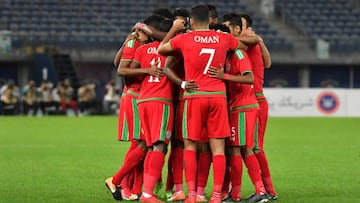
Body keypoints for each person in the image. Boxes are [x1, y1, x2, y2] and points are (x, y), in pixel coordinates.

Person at [158, 4, 251, 203]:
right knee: (217, 147)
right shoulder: (224, 38)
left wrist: (175, 30)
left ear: (191, 21)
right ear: (210, 20)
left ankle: (192, 195)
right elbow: (243, 47)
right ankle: (216, 195)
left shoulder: (184, 38)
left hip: (194, 94)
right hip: (218, 95)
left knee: (190, 145)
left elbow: (161, 49)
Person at [105, 15, 165, 201]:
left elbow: (117, 61)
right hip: (135, 96)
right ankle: (120, 182)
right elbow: (120, 67)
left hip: (141, 96)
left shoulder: (138, 44)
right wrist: (130, 40)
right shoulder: (135, 43)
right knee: (142, 144)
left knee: (142, 144)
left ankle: (133, 189)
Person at [210, 13, 269, 203]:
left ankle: (260, 191)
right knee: (238, 149)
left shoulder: (238, 53)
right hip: (238, 107)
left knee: (244, 149)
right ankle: (236, 195)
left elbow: (249, 77)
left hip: (245, 106)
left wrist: (224, 77)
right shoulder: (228, 56)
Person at [238, 13, 277, 201]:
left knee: (254, 148)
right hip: (253, 100)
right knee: (252, 147)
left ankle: (268, 190)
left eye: (241, 27)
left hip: (255, 101)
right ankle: (267, 190)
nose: (238, 30)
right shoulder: (253, 43)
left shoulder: (250, 42)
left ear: (249, 29)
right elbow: (268, 63)